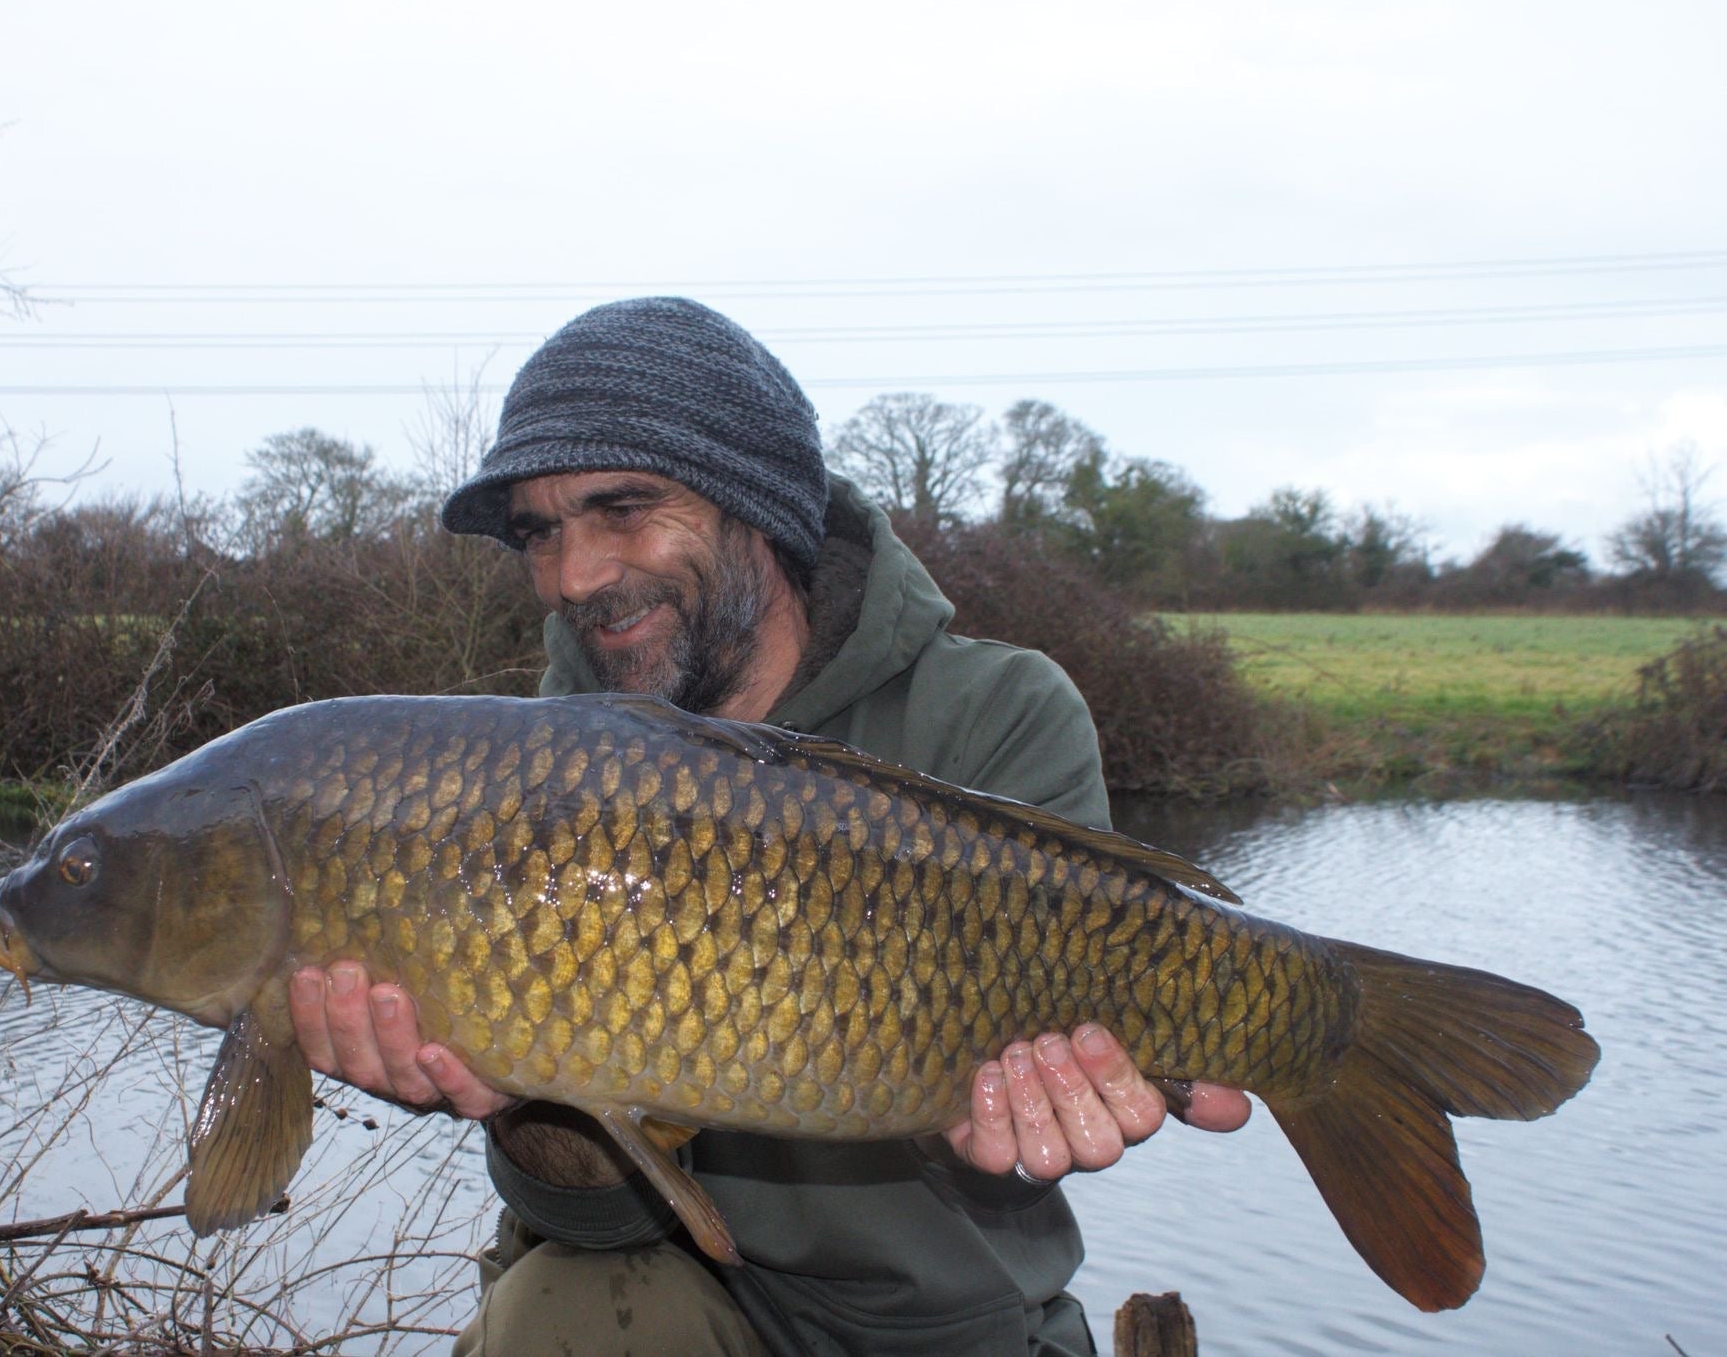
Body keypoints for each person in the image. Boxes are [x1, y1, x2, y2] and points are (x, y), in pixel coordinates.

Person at [288, 297, 1250, 1354]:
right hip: (645, 1299)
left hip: (942, 1330)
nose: (573, 574)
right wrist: (514, 1091)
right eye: (540, 532)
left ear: (759, 506)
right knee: (567, 1308)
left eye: (623, 507)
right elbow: (590, 1222)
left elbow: (1049, 1081)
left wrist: (1066, 1088)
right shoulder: (528, 775)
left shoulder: (995, 715)